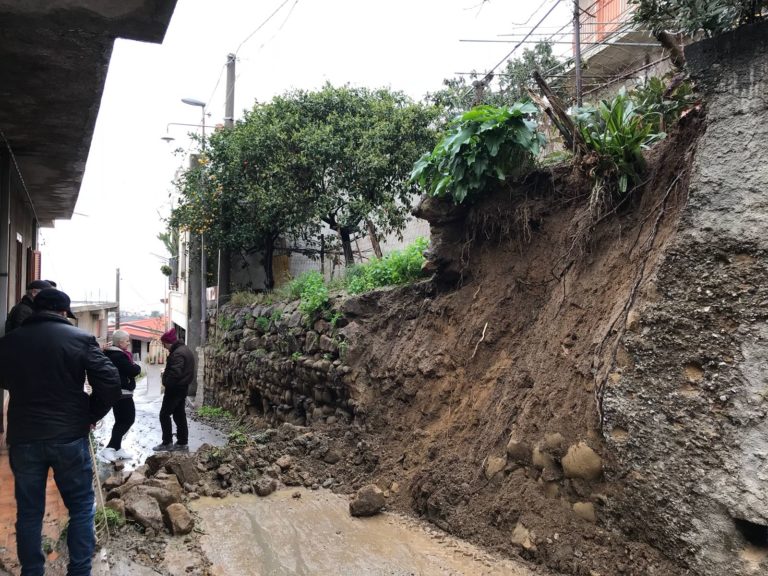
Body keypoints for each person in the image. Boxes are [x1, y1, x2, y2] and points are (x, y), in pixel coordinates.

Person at [0, 288, 121, 576]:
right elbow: (111, 382)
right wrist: (90, 415)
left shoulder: (9, 342)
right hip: (69, 436)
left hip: (24, 436)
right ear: (65, 312)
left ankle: (32, 571)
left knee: (29, 512)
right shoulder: (80, 340)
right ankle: (78, 571)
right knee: (80, 506)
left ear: (35, 308)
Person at [100, 329, 141, 462]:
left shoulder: (114, 353)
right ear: (120, 342)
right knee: (128, 419)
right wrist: (136, 366)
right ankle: (110, 447)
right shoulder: (118, 356)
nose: (128, 343)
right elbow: (133, 370)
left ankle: (116, 448)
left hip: (120, 392)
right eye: (126, 341)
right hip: (122, 393)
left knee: (121, 421)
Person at [154, 328, 195, 452]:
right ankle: (182, 442)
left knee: (164, 415)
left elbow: (175, 373)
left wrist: (165, 382)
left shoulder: (177, 353)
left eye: (164, 344)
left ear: (168, 342)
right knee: (179, 414)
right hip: (182, 388)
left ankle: (167, 442)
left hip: (175, 389)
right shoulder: (185, 349)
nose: (164, 347)